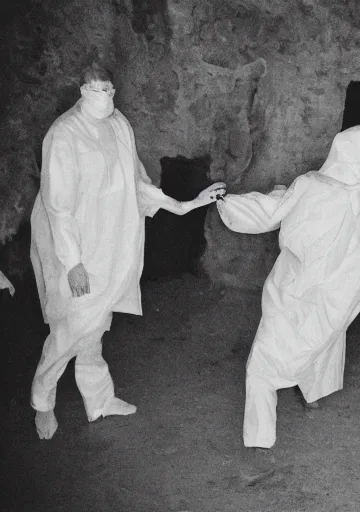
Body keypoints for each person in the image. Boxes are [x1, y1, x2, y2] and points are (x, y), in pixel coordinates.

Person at [30, 64, 225, 440]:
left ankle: (99, 399)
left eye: (106, 87)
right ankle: (43, 402)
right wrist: (72, 262)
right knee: (71, 329)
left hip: (112, 241)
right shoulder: (64, 133)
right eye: (93, 87)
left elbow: (137, 182)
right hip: (75, 246)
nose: (100, 94)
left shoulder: (120, 125)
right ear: (81, 88)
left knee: (97, 324)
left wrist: (185, 204)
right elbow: (57, 205)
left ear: (113, 89)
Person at [215, 125, 360, 473]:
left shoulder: (311, 184)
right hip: (341, 288)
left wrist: (226, 201)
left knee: (264, 363)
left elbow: (269, 213)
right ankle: (313, 394)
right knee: (322, 338)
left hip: (299, 286)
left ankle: (260, 445)